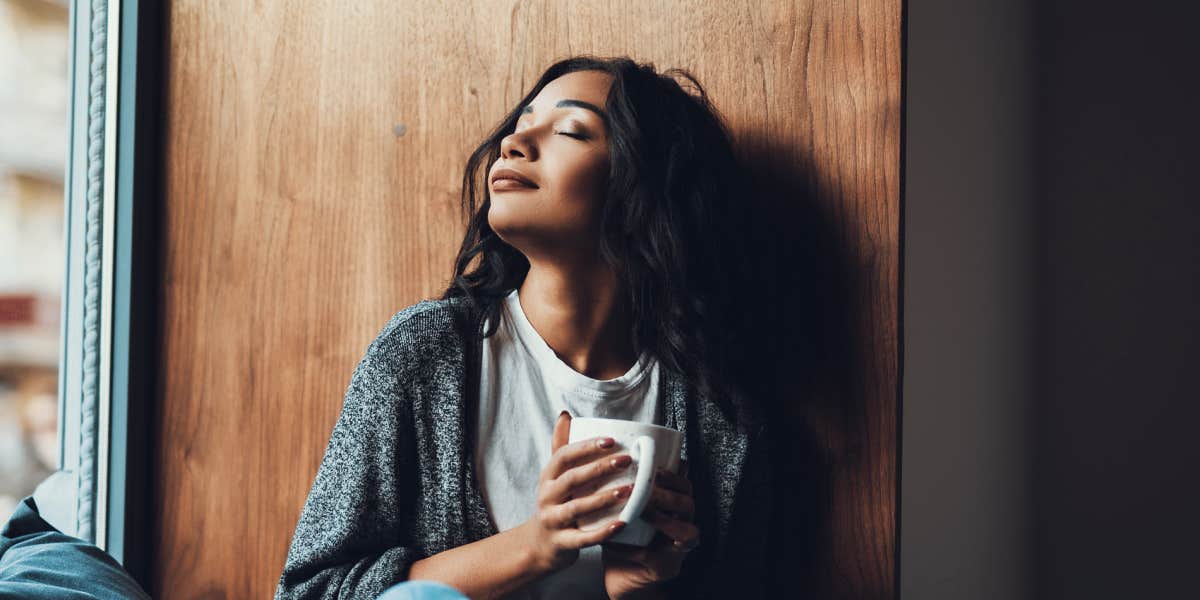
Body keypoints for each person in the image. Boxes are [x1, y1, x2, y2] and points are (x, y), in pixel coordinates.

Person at [275, 55, 773, 600]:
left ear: (644, 192)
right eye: (519, 125)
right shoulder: (427, 355)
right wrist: (538, 545)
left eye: (569, 130)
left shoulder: (716, 413)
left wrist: (640, 589)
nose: (513, 143)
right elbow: (309, 591)